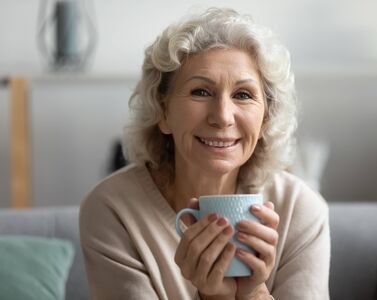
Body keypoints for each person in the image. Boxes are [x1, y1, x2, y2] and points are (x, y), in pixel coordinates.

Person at [79, 7, 330, 300]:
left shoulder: (300, 211)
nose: (223, 117)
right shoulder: (113, 210)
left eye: (243, 95)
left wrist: (252, 293)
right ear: (163, 112)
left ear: (266, 118)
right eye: (200, 91)